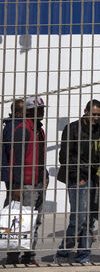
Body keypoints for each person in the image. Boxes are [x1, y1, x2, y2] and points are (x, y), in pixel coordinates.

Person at [55, 100, 100, 264]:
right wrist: (79, 177)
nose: (96, 118)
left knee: (89, 219)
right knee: (79, 218)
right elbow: (65, 156)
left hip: (92, 178)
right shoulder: (73, 128)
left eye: (98, 115)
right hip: (78, 179)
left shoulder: (97, 128)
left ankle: (83, 254)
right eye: (94, 114)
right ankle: (64, 250)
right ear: (86, 111)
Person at [1, 97, 46, 266]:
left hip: (38, 181)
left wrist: (45, 174)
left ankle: (29, 255)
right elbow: (16, 160)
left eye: (42, 109)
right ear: (28, 112)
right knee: (21, 220)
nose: (42, 111)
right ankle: (13, 256)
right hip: (26, 183)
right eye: (38, 109)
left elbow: (38, 155)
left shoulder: (38, 129)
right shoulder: (22, 129)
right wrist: (17, 186)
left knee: (34, 220)